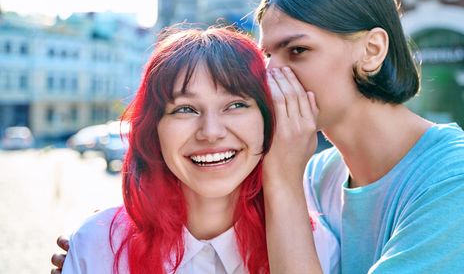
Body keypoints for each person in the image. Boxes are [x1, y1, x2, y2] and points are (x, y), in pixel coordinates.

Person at [258, 0, 464, 273]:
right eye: (267, 56)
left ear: (372, 51)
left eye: (297, 51)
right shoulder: (317, 175)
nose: (270, 75)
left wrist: (283, 184)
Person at [56, 26, 339, 273]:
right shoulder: (97, 245)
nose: (211, 132)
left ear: (269, 120)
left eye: (236, 105)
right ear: (153, 130)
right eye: (185, 109)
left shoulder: (315, 246)